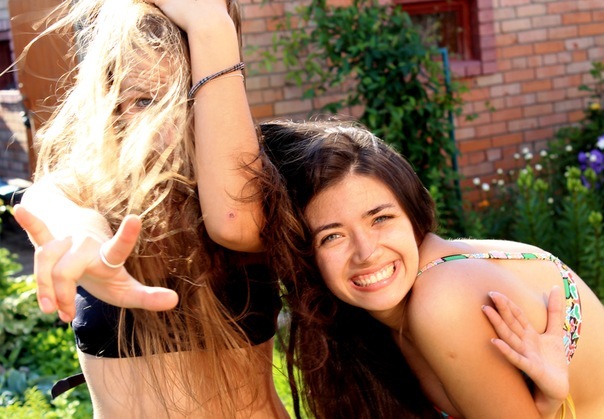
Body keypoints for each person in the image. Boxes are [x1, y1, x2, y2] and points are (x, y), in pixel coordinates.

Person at [13, 0, 287, 417]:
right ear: (112, 106)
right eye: (143, 101)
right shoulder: (91, 187)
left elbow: (234, 221)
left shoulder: (263, 180)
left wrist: (210, 25)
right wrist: (82, 235)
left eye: (190, 98)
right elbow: (50, 200)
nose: (167, 130)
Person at [257, 119, 604, 419]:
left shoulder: (444, 298)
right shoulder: (390, 312)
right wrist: (547, 403)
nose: (366, 253)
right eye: (332, 236)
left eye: (380, 219)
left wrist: (549, 403)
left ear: (412, 214)